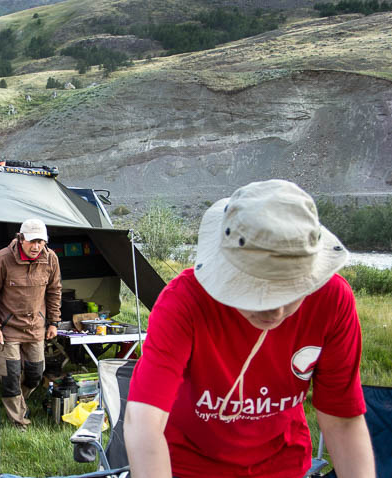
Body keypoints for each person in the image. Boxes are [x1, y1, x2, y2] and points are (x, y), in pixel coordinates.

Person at [124, 179, 375, 478]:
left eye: (291, 292)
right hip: (189, 465)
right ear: (227, 272)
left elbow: (342, 420)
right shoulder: (184, 303)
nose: (276, 311)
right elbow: (144, 422)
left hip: (283, 464)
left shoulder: (332, 300)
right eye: (257, 291)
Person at [0, 218, 62, 429]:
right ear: (21, 239)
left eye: (41, 241)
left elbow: (54, 291)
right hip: (8, 329)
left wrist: (53, 322)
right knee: (10, 376)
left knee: (36, 374)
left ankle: (18, 401)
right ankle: (19, 421)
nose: (36, 246)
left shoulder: (51, 259)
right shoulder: (1, 259)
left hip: (36, 327)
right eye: (32, 241)